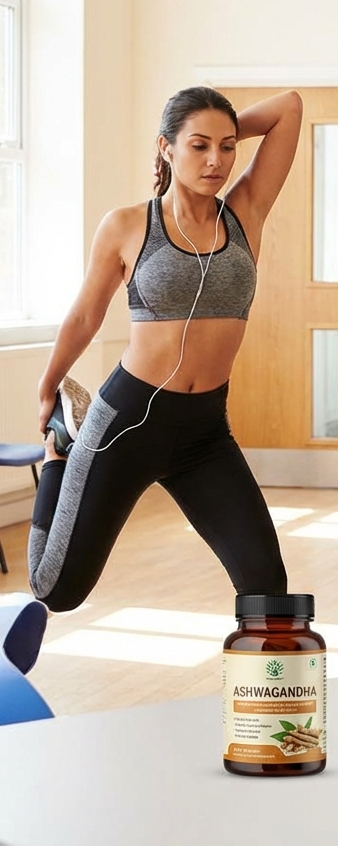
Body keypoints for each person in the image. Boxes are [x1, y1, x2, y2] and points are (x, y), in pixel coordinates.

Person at [29, 86, 303, 611]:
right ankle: (60, 455)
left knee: (267, 584)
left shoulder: (244, 214)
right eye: (198, 146)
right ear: (165, 148)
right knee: (57, 591)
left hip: (204, 432)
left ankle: (262, 694)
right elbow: (87, 314)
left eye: (226, 148)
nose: (216, 160)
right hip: (126, 423)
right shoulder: (129, 225)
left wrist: (216, 131)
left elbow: (288, 107)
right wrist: (48, 386)